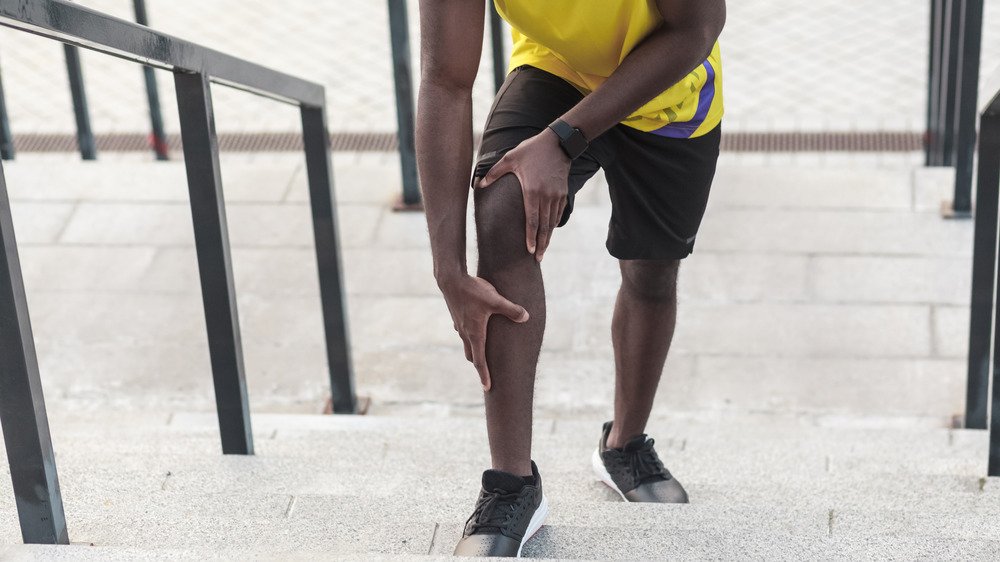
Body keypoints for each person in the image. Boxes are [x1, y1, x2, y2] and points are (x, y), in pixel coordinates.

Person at [415, 0, 726, 556]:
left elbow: (697, 28)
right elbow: (445, 80)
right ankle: (513, 485)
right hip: (557, 71)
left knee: (651, 273)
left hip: (668, 90)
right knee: (502, 209)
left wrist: (563, 140)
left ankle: (624, 444)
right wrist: (448, 269)